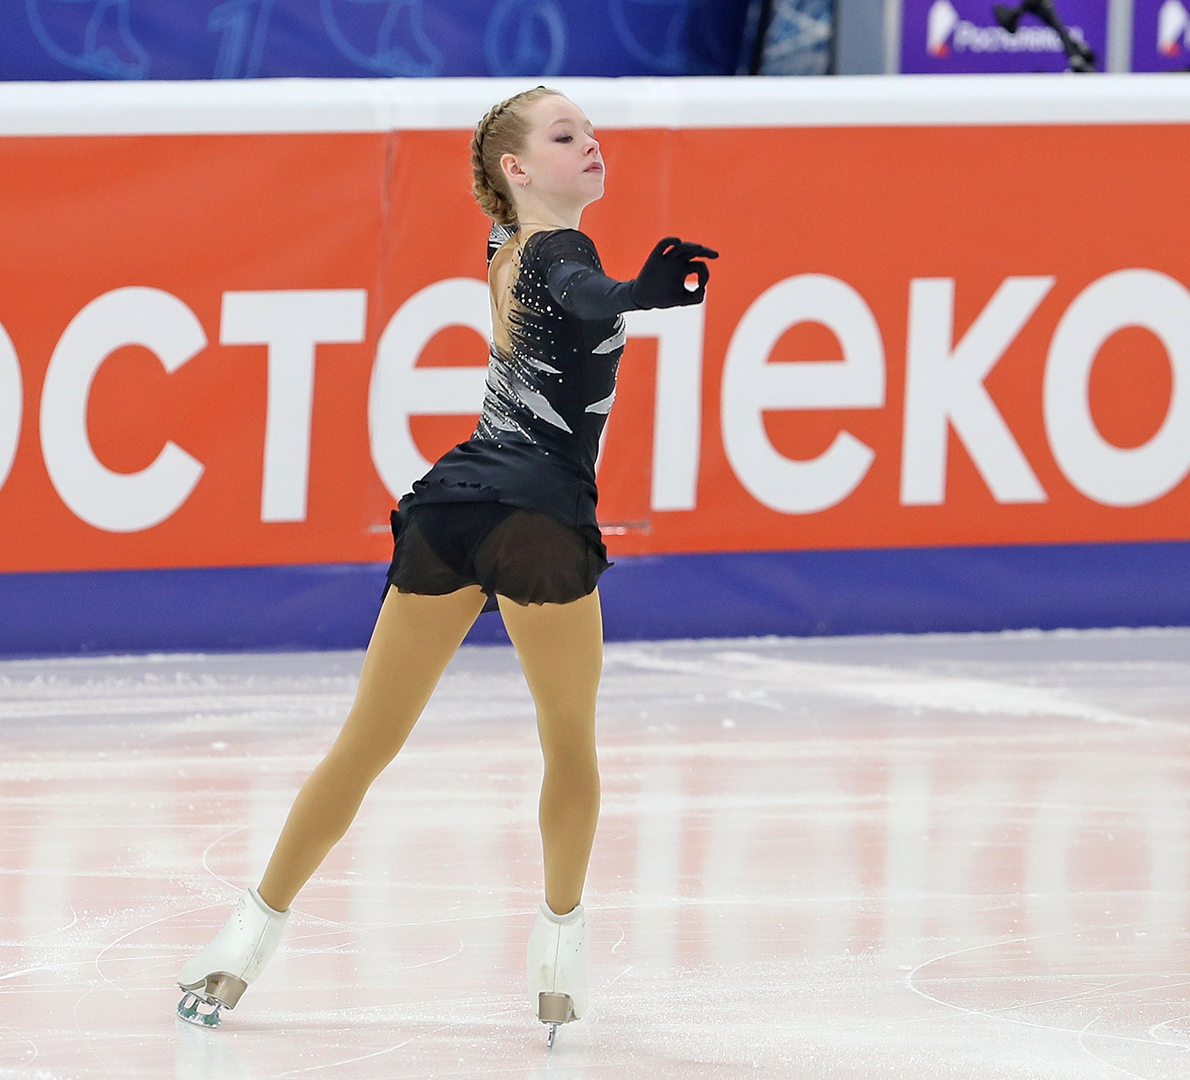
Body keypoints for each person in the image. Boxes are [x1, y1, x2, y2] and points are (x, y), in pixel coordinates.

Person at [176, 85, 717, 1043]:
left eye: (591, 131)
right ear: (518, 168)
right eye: (566, 135)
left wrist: (623, 287)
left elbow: (557, 286)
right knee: (569, 747)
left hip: (452, 510)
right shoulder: (553, 247)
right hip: (537, 520)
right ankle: (558, 956)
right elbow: (581, 289)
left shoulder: (503, 246)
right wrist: (638, 293)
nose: (591, 144)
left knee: (365, 743)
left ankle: (242, 943)